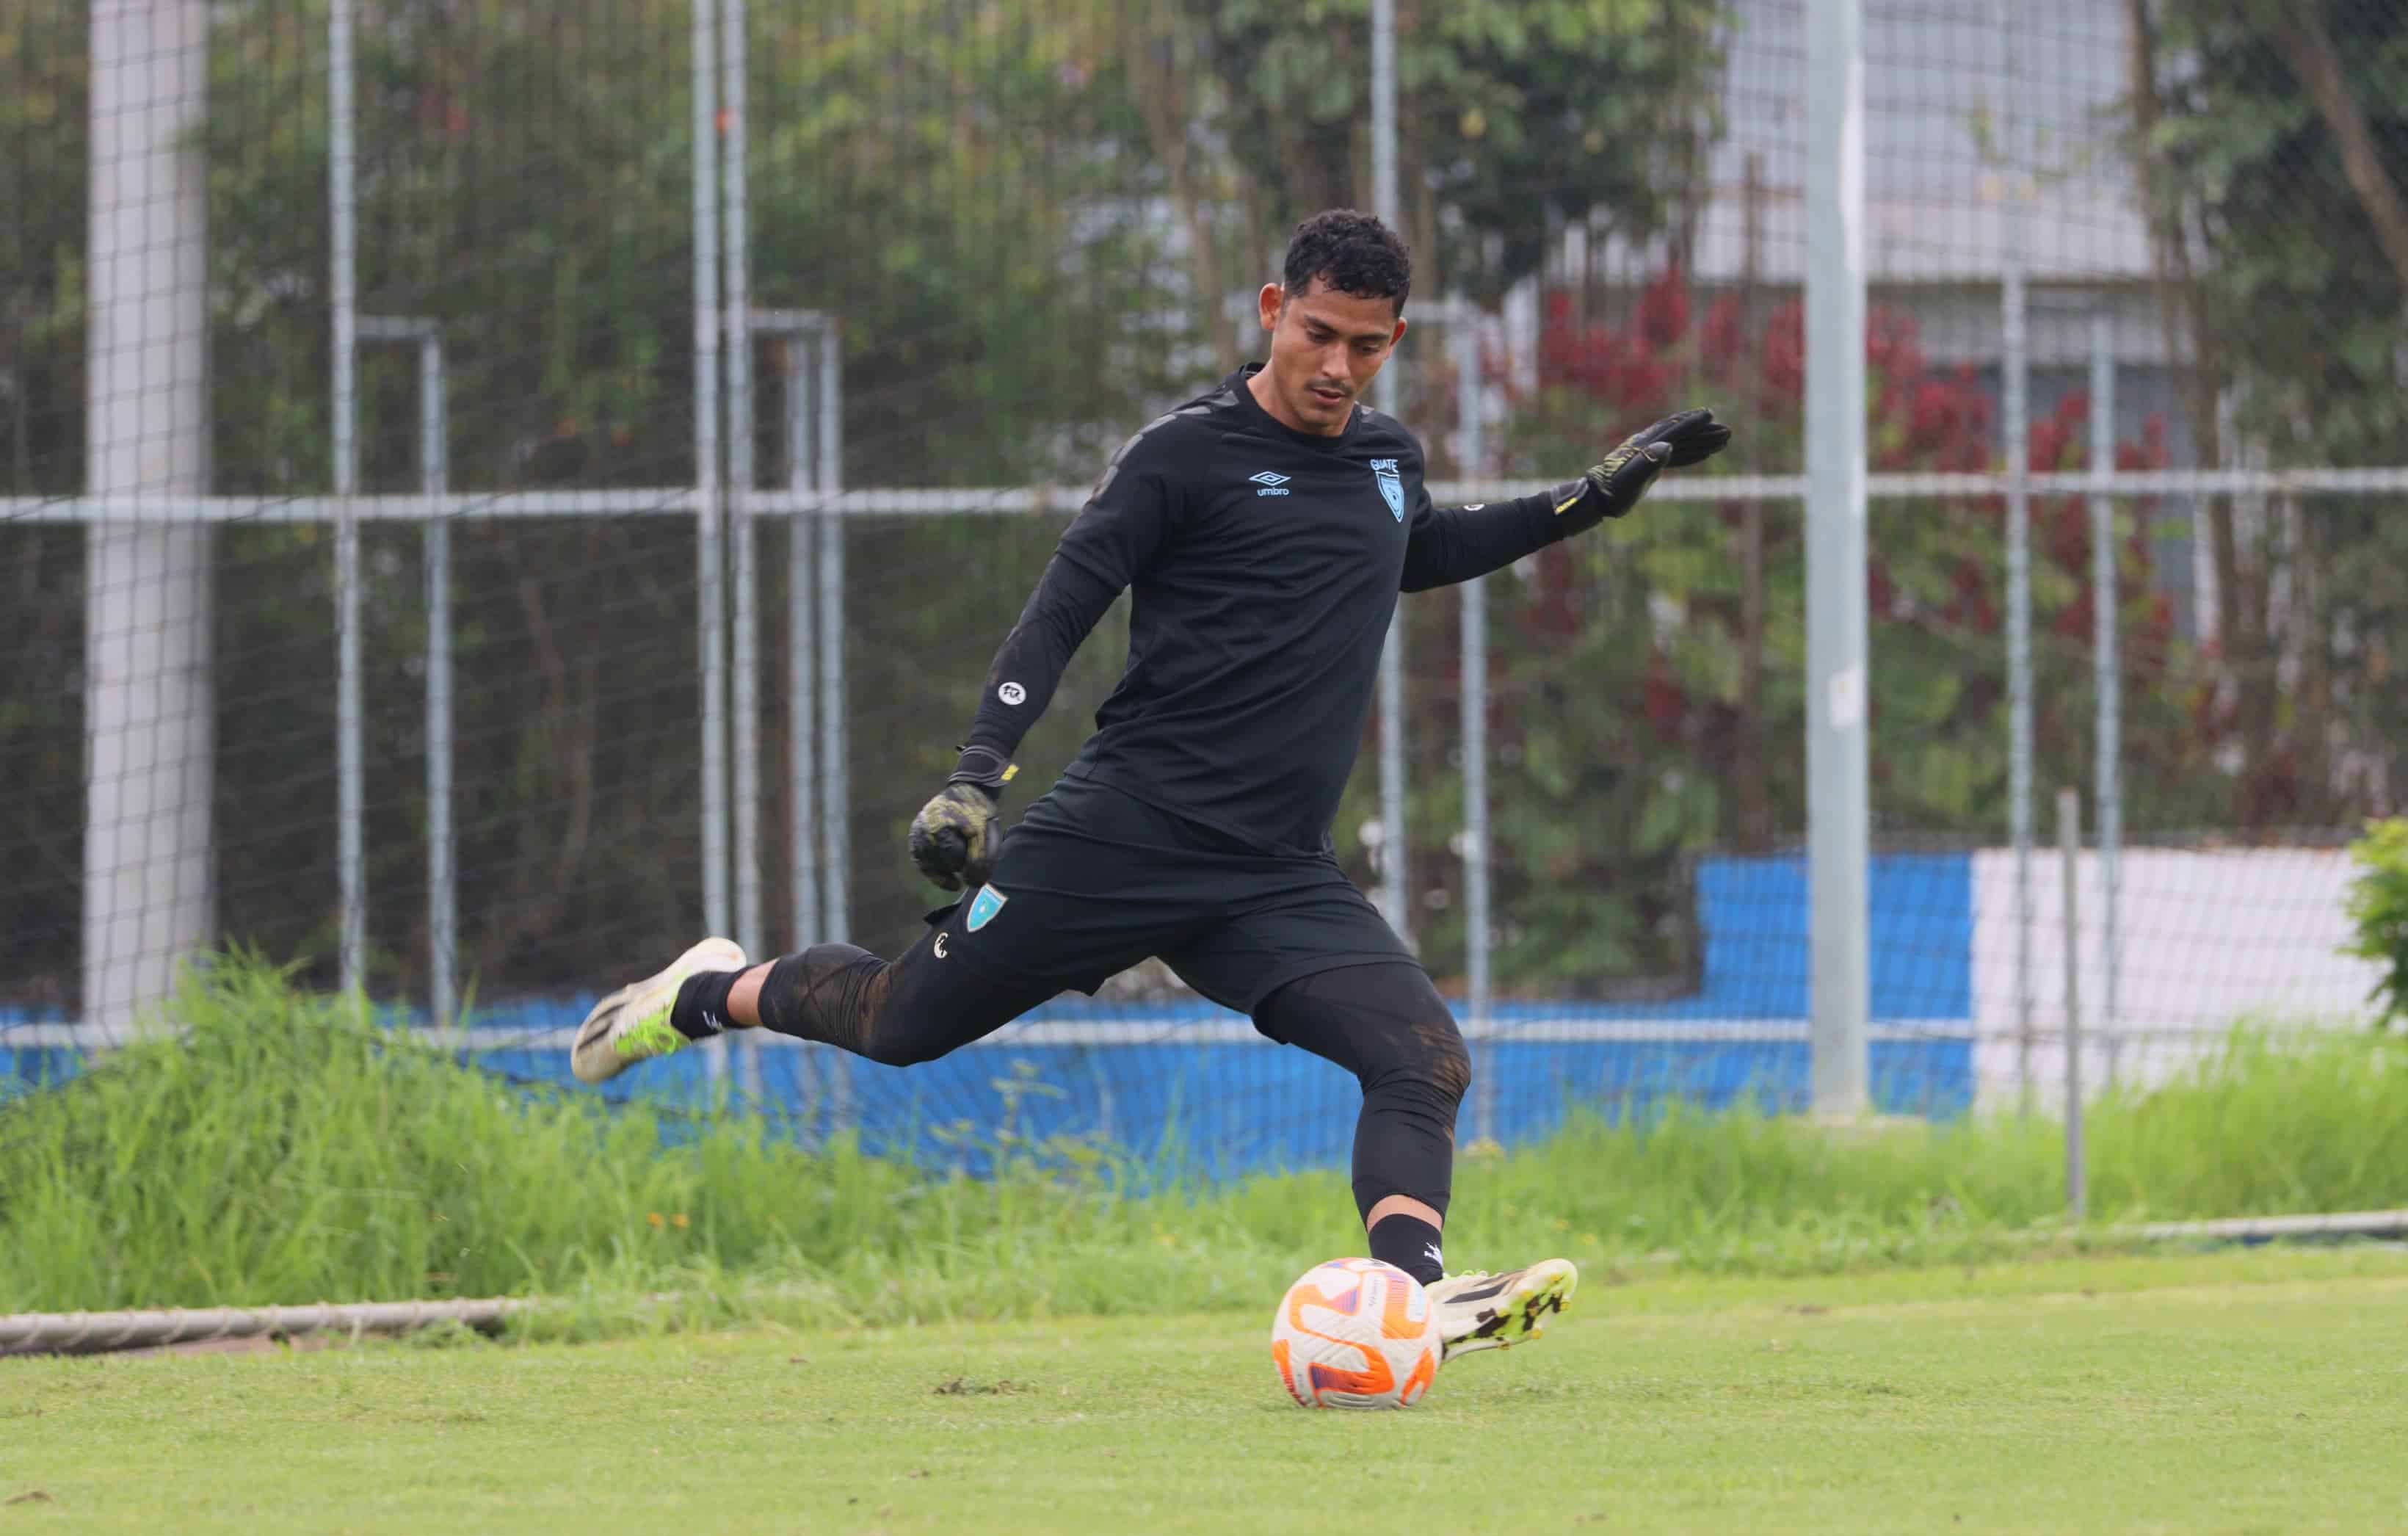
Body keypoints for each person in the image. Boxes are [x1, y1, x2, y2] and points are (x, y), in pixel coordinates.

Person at [572, 209, 1728, 1360]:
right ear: (1274, 311)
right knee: (898, 1024)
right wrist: (976, 778)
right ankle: (703, 992)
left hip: (1272, 873)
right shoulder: (1184, 454)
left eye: (1366, 346)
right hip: (1120, 838)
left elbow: (1418, 548)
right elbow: (1061, 609)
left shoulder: (1385, 460)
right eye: (1318, 334)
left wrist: (1585, 502)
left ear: (1395, 340)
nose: (1337, 367)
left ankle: (1405, 1304)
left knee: (1422, 1058)